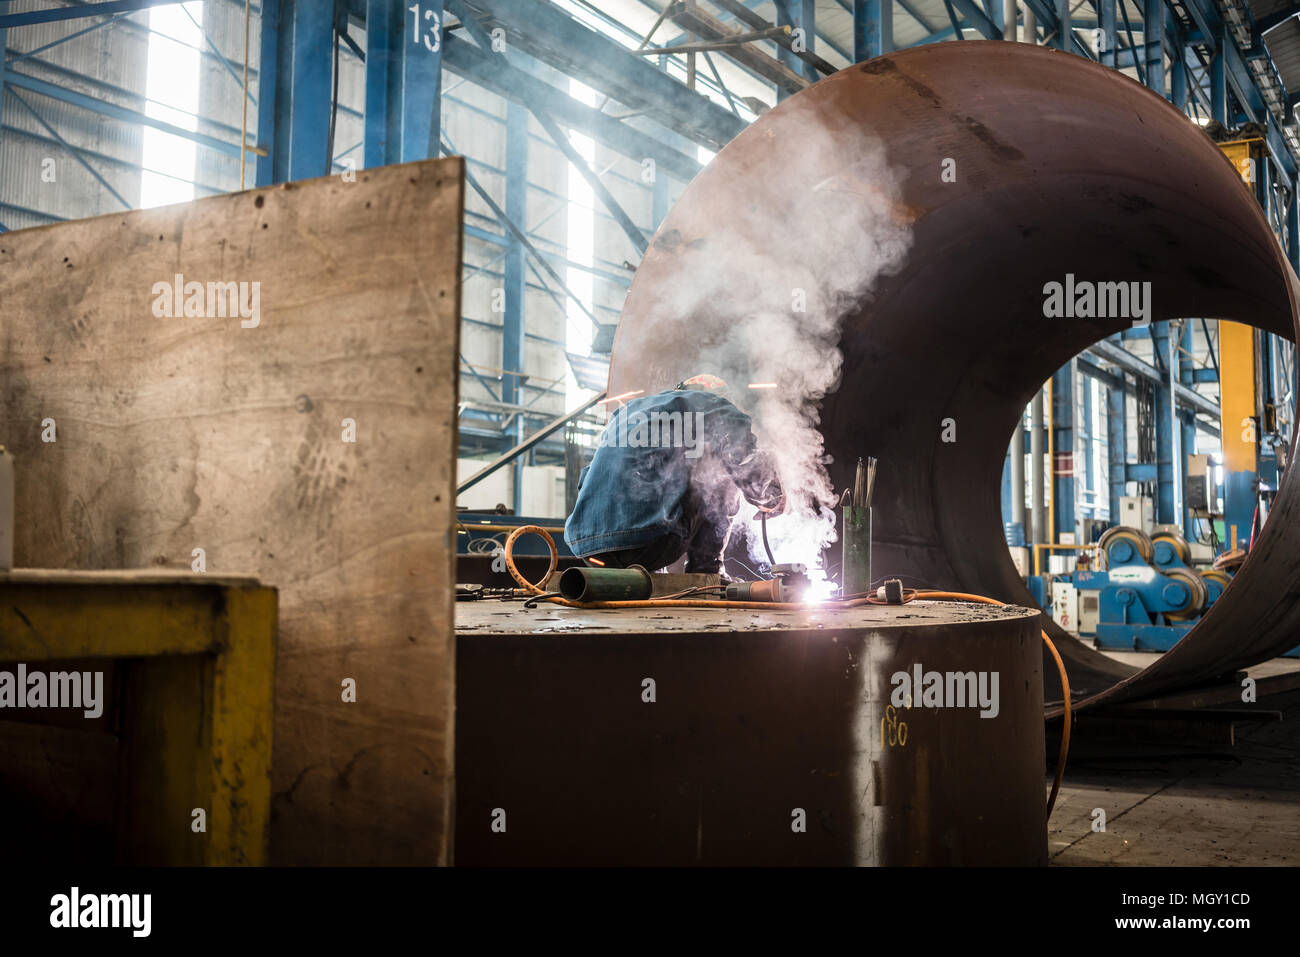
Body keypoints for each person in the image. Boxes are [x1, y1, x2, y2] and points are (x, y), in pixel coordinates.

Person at [564, 374, 784, 574]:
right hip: (649, 545)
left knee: (642, 483)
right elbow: (744, 458)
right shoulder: (714, 405)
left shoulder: (626, 411)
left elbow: (592, 476)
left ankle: (649, 572)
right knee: (717, 471)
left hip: (587, 548)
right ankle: (707, 571)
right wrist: (770, 497)